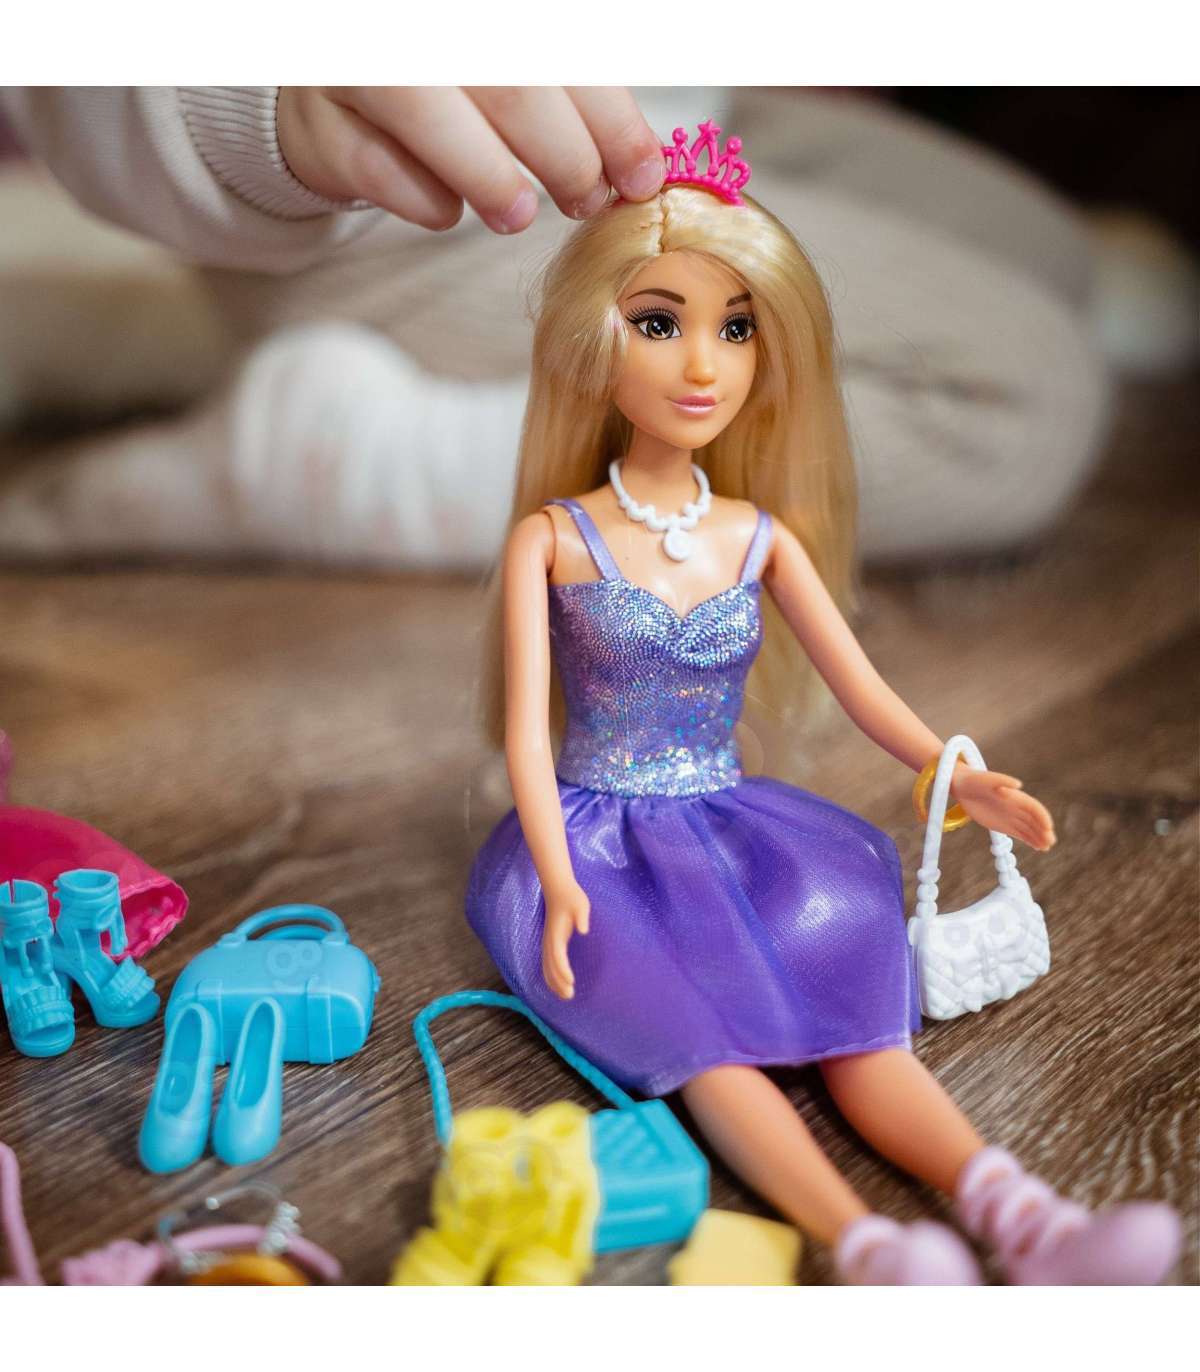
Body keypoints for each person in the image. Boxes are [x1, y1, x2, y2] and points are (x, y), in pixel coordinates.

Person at [464, 132, 1181, 1285]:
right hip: (601, 844)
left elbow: (861, 687)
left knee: (855, 1017)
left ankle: (1031, 1219)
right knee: (708, 1049)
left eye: (736, 328)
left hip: (734, 827)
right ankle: (865, 1245)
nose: (704, 364)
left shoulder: (759, 538)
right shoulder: (554, 540)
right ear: (594, 341)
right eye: (661, 323)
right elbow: (522, 734)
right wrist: (555, 873)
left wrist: (955, 772)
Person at [0, 88, 1108, 567]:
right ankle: (344, 455)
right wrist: (270, 102)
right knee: (1016, 402)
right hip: (410, 198)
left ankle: (162, 334)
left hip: (676, 111)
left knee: (1046, 251)